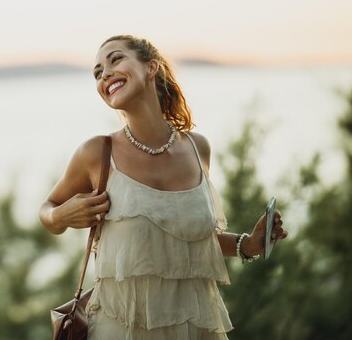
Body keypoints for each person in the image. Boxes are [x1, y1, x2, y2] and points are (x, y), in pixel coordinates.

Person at [39, 35, 288, 340]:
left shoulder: (198, 149)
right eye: (97, 72)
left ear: (151, 67)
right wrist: (61, 216)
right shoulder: (96, 153)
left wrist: (248, 244)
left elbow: (184, 242)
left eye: (116, 59)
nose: (104, 74)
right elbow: (47, 210)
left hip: (197, 328)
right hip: (120, 330)